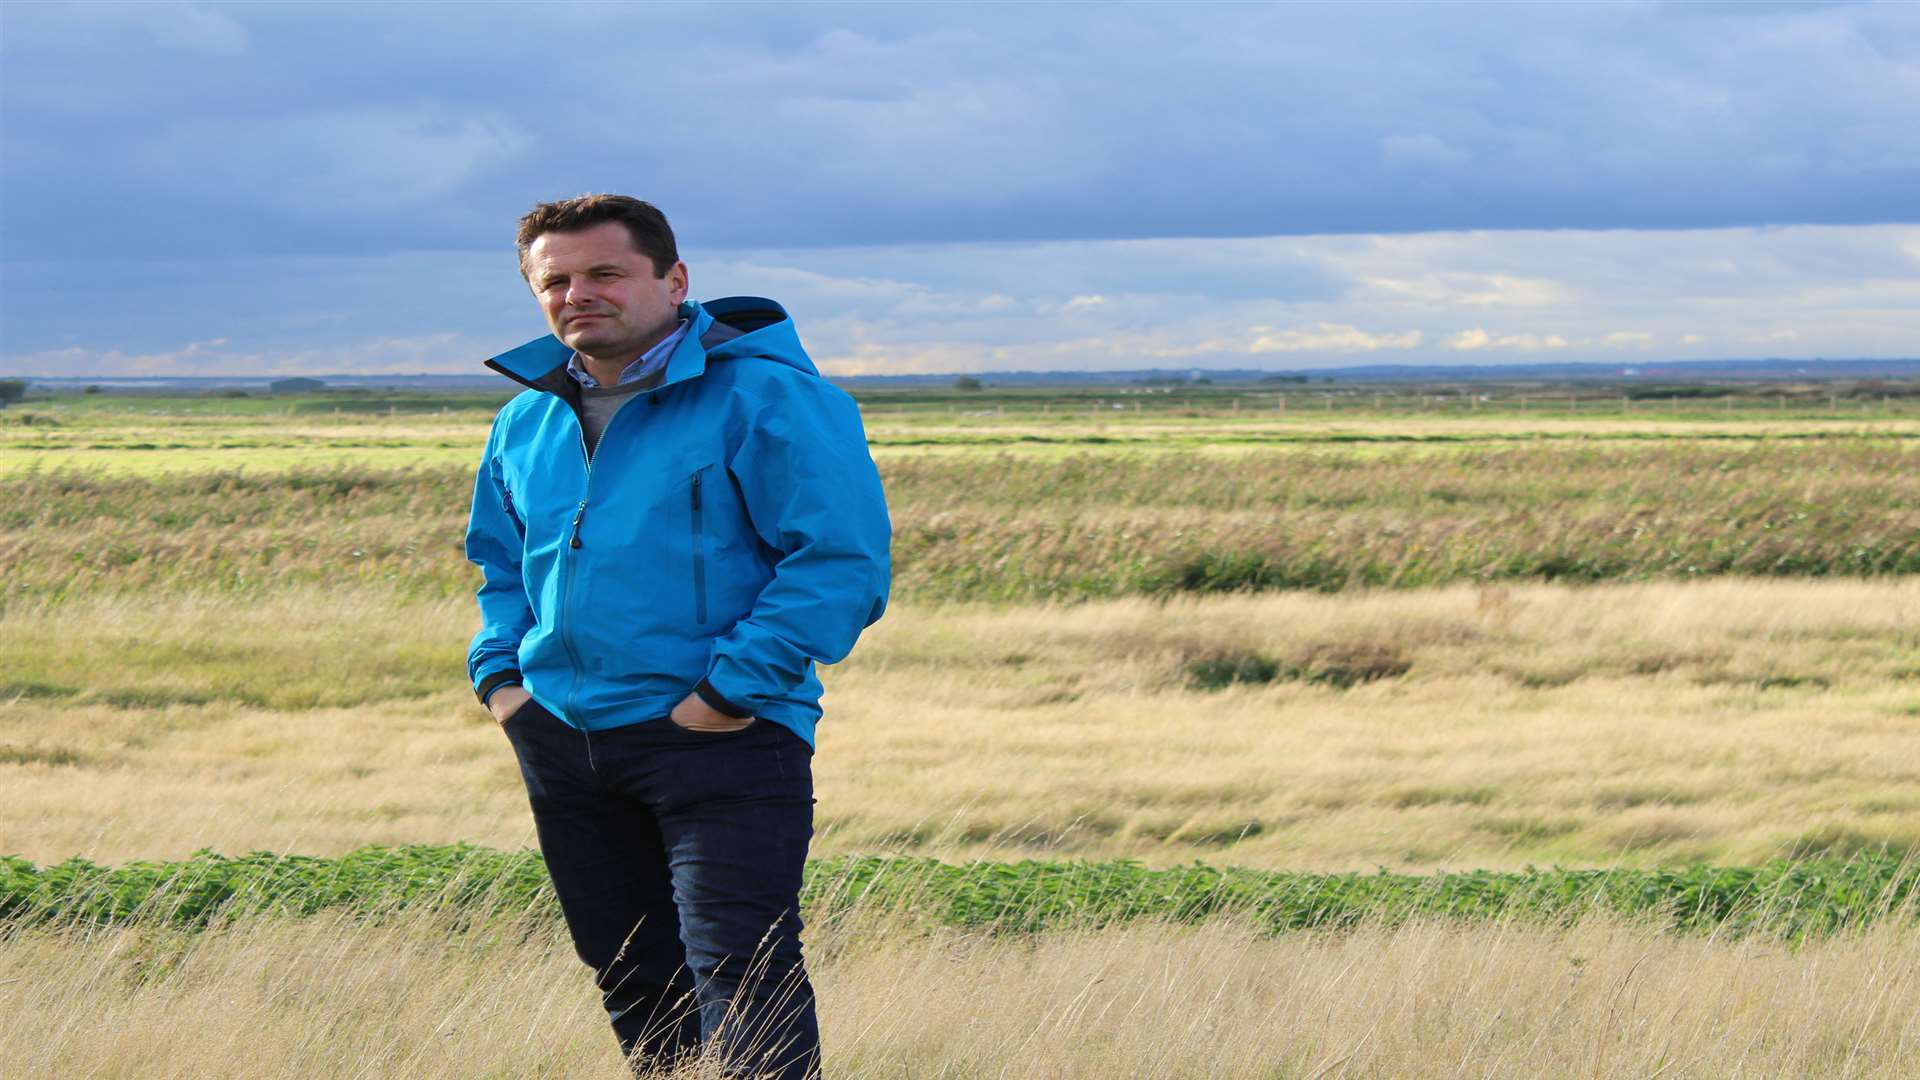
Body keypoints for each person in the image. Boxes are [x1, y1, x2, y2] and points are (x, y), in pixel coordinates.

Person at [463, 194, 891, 1079]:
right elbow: (501, 565)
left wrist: (728, 694)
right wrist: (503, 680)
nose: (579, 293)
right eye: (557, 281)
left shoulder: (772, 397)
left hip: (723, 740)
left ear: (674, 279)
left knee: (743, 977)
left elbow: (839, 563)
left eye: (606, 273)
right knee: (631, 978)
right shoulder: (526, 419)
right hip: (564, 738)